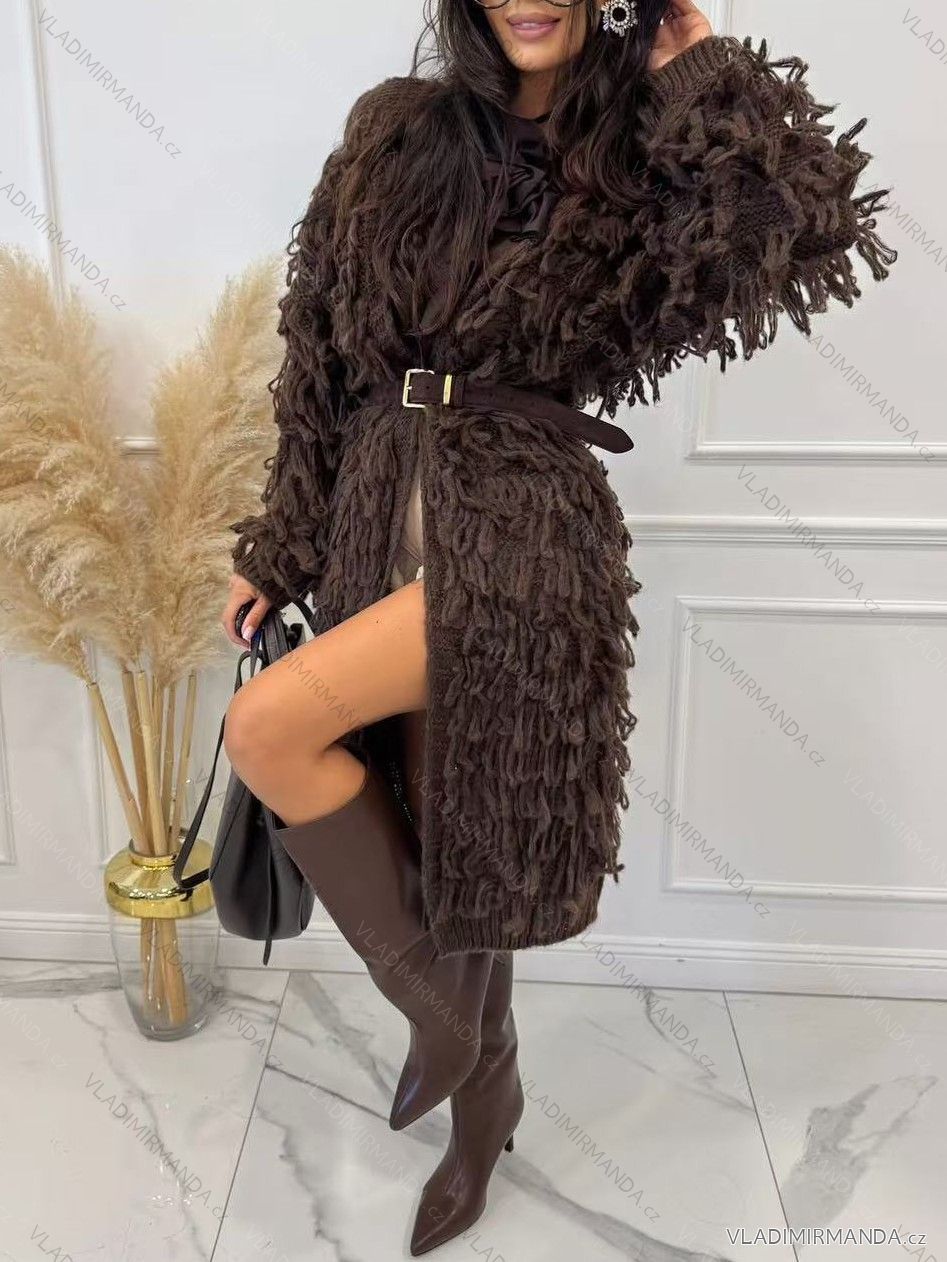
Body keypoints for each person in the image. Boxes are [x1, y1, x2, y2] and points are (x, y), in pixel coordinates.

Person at [218, 1, 895, 1252]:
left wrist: (700, 73)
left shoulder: (641, 143)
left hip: (522, 531)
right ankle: (489, 1094)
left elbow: (796, 238)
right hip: (374, 516)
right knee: (447, 836)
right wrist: (282, 543)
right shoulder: (394, 130)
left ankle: (456, 1039)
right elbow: (317, 353)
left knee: (268, 727)